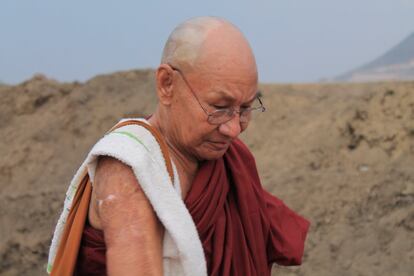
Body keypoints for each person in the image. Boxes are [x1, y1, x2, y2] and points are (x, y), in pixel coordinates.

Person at [48, 16, 309, 276]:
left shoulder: (232, 163)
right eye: (219, 108)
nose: (234, 129)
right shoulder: (129, 169)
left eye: (244, 108)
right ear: (166, 84)